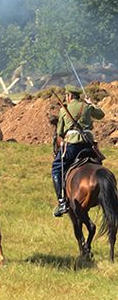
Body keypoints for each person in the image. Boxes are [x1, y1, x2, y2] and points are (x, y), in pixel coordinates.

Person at [51, 84, 105, 217]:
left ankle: (62, 201)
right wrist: (91, 103)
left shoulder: (65, 109)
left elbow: (60, 132)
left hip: (73, 145)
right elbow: (101, 115)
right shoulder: (86, 107)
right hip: (88, 143)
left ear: (69, 96)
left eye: (66, 96)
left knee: (57, 168)